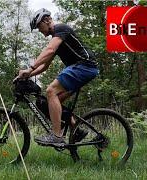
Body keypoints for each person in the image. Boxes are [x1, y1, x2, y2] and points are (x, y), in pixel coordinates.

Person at [14, 8, 99, 145]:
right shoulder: (56, 40)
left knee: (50, 90)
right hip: (81, 69)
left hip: (85, 66)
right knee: (51, 102)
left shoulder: (61, 29)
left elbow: (49, 50)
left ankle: (57, 136)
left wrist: (30, 68)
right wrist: (28, 74)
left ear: (46, 20)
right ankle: (76, 130)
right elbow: (44, 66)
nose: (39, 31)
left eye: (39, 27)